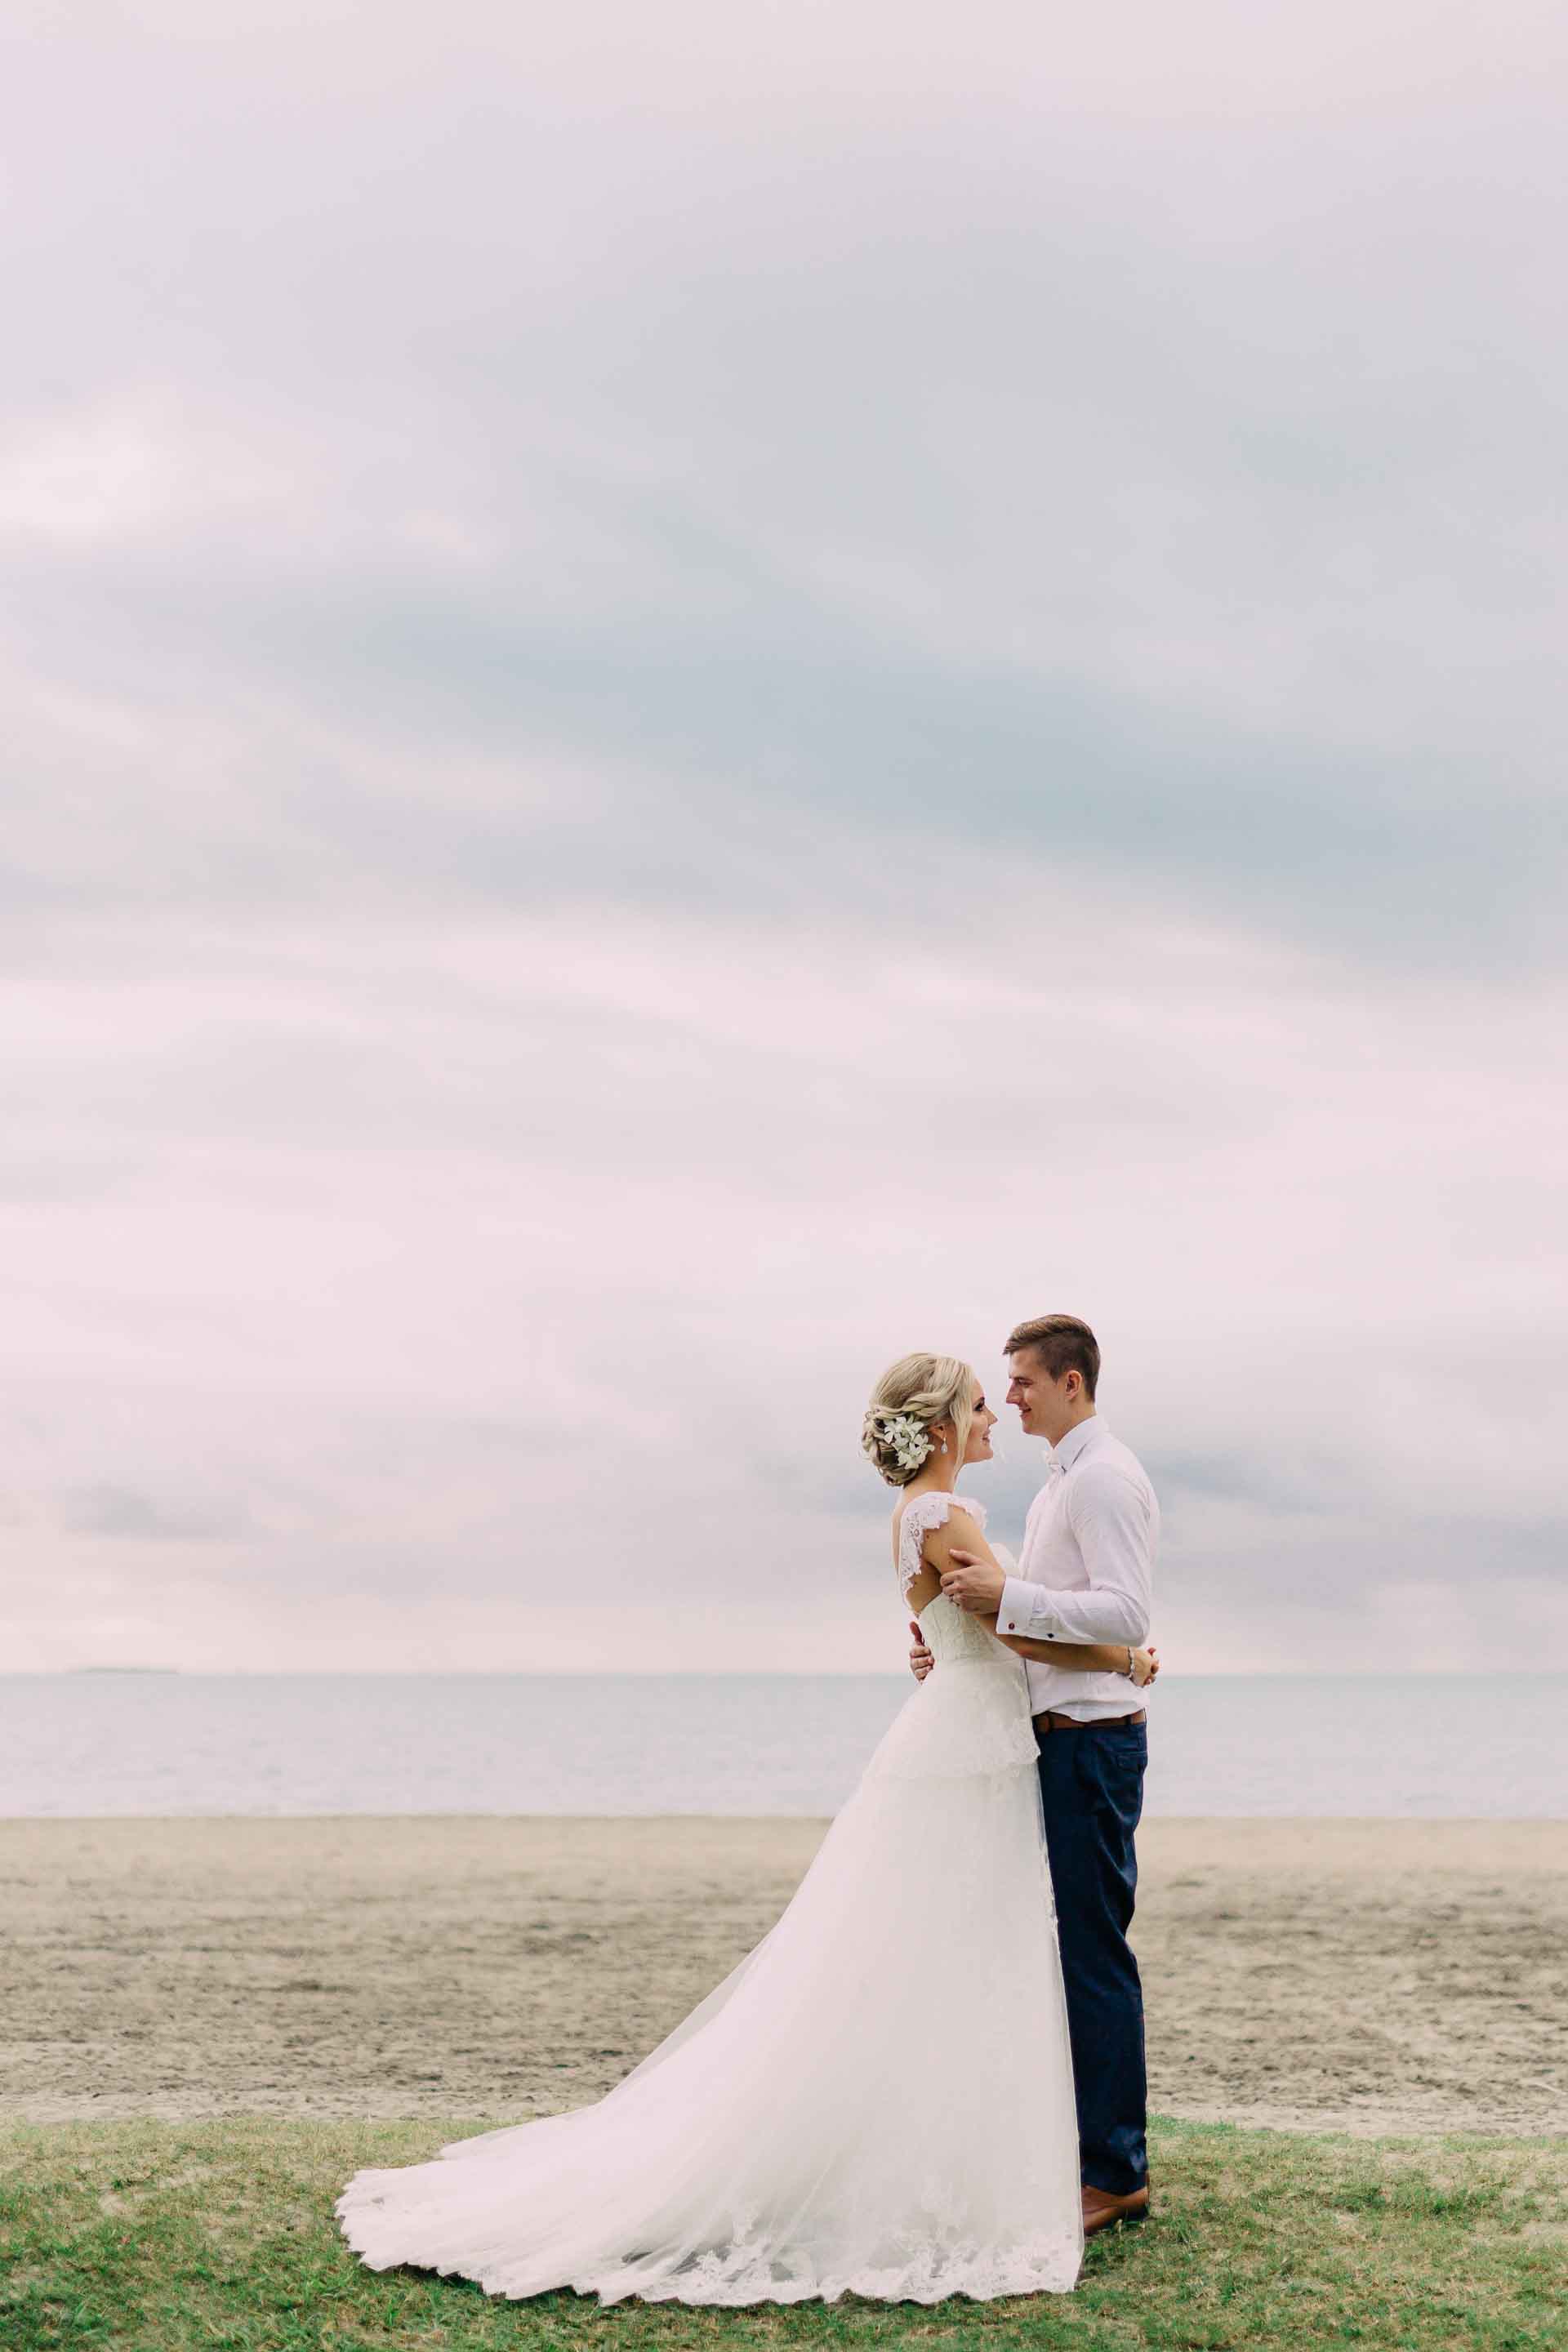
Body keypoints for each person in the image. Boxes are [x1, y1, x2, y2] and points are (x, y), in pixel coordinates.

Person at [335, 1350, 1156, 2306]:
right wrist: (1129, 1660)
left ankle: (980, 2140)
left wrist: (957, 1646)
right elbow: (1012, 1630)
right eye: (979, 1405)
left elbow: (961, 1626)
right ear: (938, 1430)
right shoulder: (947, 1515)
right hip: (977, 1746)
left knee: (935, 1949)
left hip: (968, 1736)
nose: (991, 1418)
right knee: (955, 1946)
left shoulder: (921, 1517)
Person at [913, 1313, 1159, 2234]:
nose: (1007, 1395)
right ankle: (1083, 2149)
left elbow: (1126, 1611)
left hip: (1092, 1743)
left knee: (1095, 1954)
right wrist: (965, 1650)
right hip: (1056, 1730)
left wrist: (1009, 1598)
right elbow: (1048, 1631)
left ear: (1071, 1383)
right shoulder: (1061, 1482)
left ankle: (1116, 2172)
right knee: (1068, 1949)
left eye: (1020, 1380)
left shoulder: (1101, 1479)